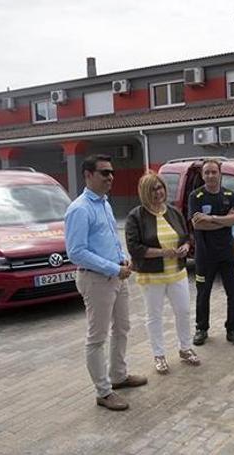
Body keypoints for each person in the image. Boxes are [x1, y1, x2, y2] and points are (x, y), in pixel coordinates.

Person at [65, 154, 147, 412]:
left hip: (116, 276)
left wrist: (122, 259)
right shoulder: (79, 209)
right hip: (96, 279)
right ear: (88, 175)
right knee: (97, 337)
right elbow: (76, 252)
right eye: (104, 173)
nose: (110, 177)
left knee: (122, 327)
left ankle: (118, 376)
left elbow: (109, 239)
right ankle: (103, 391)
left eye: (111, 172)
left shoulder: (104, 204)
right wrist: (113, 267)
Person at [125, 172, 201, 375]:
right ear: (144, 192)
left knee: (183, 311)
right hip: (152, 276)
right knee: (154, 316)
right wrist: (162, 252)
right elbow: (134, 248)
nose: (158, 192)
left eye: (160, 187)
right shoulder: (136, 216)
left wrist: (185, 246)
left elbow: (186, 236)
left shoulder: (174, 212)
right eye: (152, 189)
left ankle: (185, 348)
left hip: (177, 272)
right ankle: (159, 355)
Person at [189, 159, 234, 347]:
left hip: (227, 254)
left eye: (214, 172)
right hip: (205, 254)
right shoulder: (195, 197)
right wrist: (225, 219)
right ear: (202, 175)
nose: (210, 176)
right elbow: (198, 224)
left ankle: (233, 329)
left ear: (220, 173)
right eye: (207, 173)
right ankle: (201, 328)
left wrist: (211, 218)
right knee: (203, 293)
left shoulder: (230, 195)